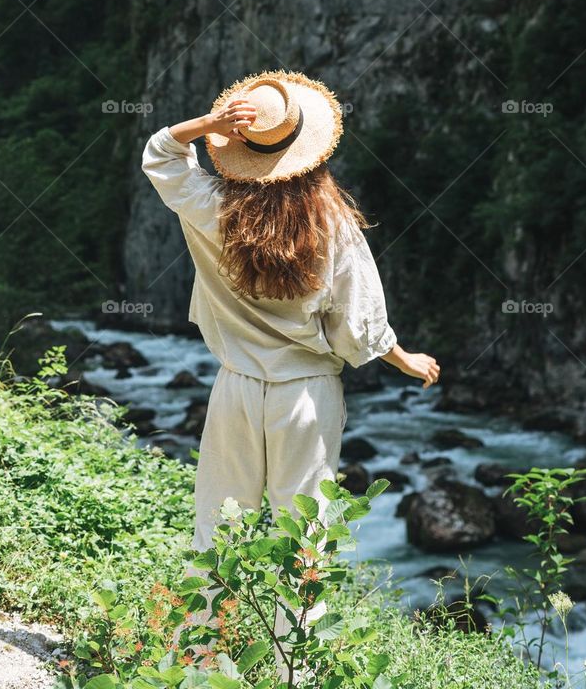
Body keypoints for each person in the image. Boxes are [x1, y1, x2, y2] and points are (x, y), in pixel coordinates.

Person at [141, 69, 440, 554]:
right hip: (304, 394)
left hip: (236, 385)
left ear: (240, 151)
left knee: (219, 519)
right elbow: (357, 321)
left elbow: (160, 154)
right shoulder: (332, 224)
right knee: (304, 530)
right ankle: (296, 628)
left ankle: (211, 626)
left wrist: (207, 124)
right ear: (312, 152)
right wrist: (402, 358)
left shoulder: (209, 206)